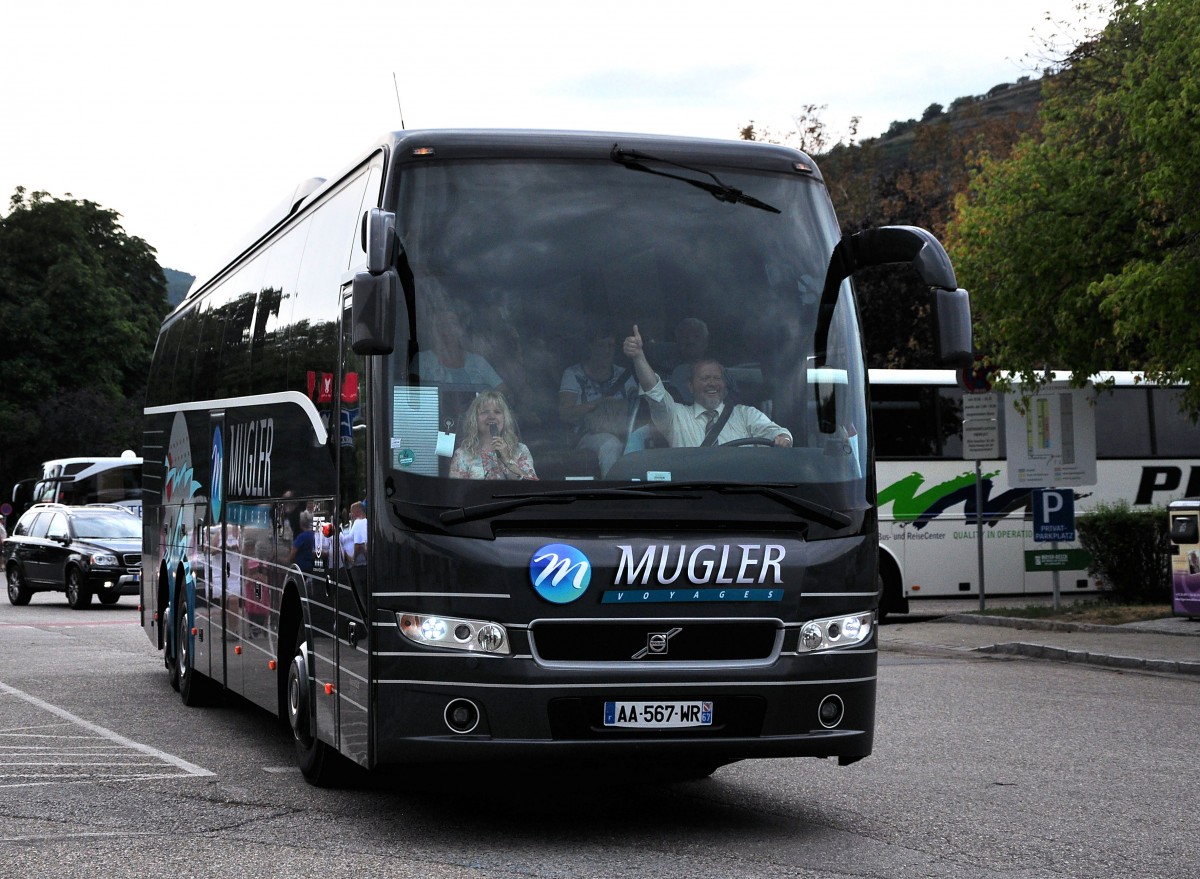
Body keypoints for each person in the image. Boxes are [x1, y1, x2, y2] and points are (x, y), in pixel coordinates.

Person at [623, 324, 792, 448]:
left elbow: (776, 432)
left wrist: (783, 437)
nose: (711, 383)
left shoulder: (746, 414)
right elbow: (655, 392)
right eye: (704, 378)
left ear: (725, 385)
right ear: (690, 386)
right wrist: (638, 356)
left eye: (716, 378)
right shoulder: (675, 416)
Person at [558, 326, 637, 474]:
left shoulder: (625, 375)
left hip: (625, 432)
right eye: (602, 345)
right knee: (610, 445)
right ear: (591, 347)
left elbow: (637, 409)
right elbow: (565, 414)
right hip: (588, 434)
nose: (607, 350)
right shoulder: (573, 374)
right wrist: (600, 404)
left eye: (611, 346)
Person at [449, 390, 538, 480]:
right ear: (474, 418)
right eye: (485, 412)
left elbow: (532, 488)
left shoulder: (520, 450)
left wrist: (508, 461)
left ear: (504, 418)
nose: (491, 416)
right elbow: (456, 491)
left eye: (497, 412)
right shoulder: (462, 455)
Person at [668, 317, 737, 405]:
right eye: (685, 337)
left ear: (706, 341)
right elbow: (673, 404)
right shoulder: (673, 372)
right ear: (678, 342)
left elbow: (735, 399)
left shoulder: (721, 370)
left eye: (696, 336)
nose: (690, 340)